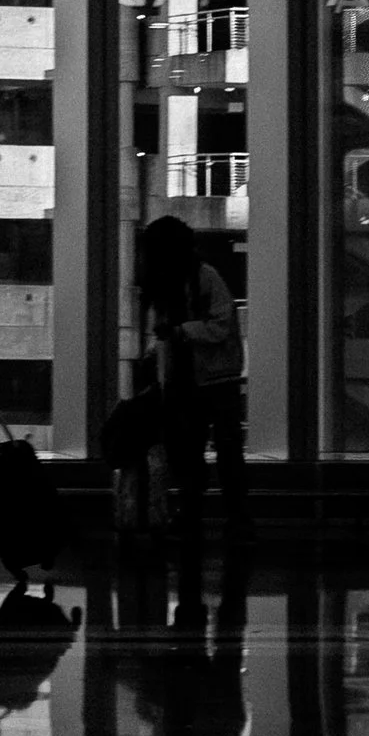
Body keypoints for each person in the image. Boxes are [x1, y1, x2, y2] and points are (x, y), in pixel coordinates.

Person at [136, 214, 248, 532]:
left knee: (196, 451)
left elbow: (219, 326)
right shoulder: (198, 278)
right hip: (208, 379)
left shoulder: (197, 279)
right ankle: (231, 518)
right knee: (217, 452)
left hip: (207, 379)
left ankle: (200, 515)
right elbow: (220, 325)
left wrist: (178, 333)